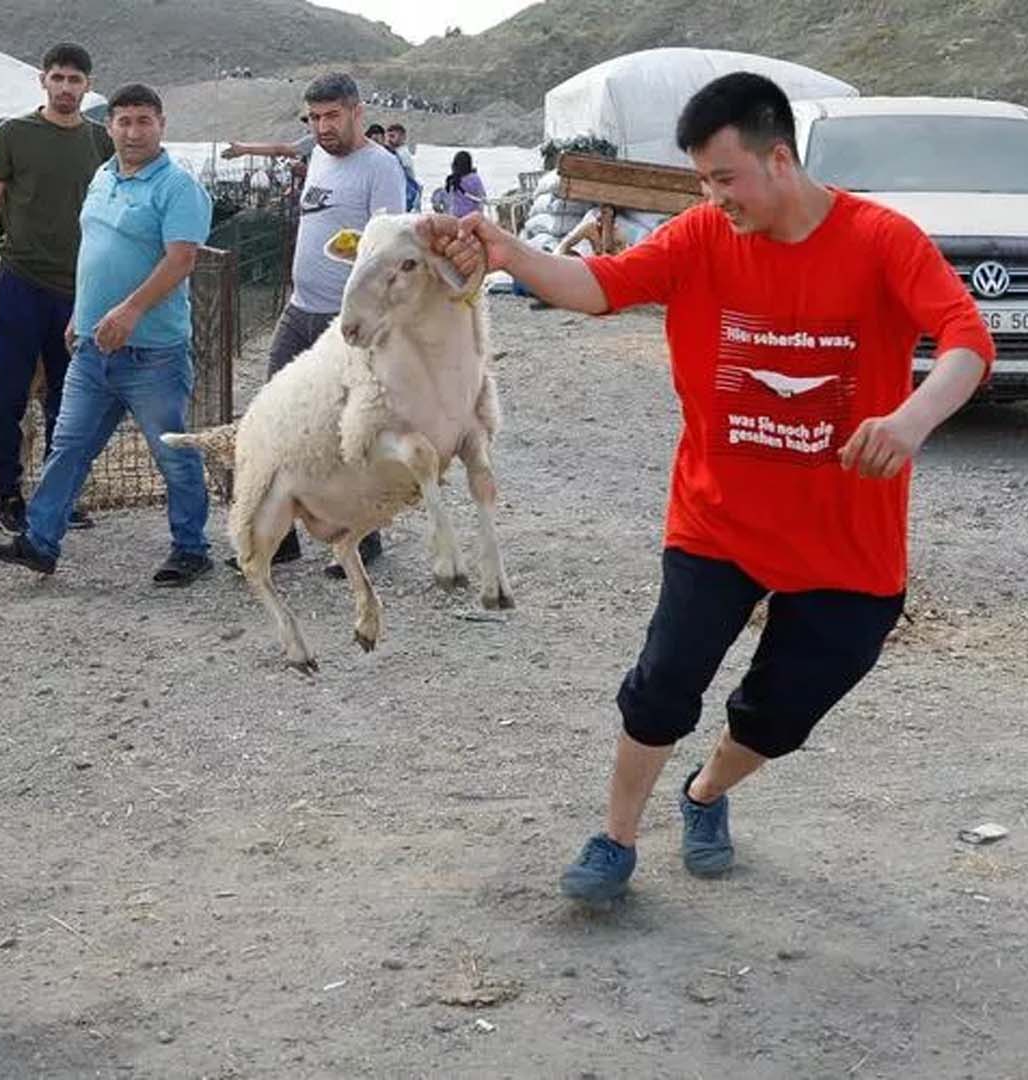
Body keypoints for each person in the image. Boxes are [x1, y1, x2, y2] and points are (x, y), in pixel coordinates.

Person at [425, 72, 994, 902]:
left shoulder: (880, 241)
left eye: (724, 177)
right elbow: (601, 287)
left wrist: (908, 421)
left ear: (779, 160)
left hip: (846, 540)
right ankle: (615, 839)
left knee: (779, 715)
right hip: (717, 521)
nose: (711, 195)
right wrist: (509, 252)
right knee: (661, 683)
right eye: (700, 180)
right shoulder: (699, 237)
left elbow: (965, 340)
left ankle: (704, 794)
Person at [0, 83, 214, 586]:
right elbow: (95, 252)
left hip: (152, 352)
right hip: (92, 346)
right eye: (123, 122)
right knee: (68, 446)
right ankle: (41, 542)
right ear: (109, 127)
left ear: (161, 125)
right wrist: (79, 318)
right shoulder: (102, 177)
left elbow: (182, 259)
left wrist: (131, 311)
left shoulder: (177, 187)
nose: (133, 132)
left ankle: (192, 547)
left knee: (171, 451)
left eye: (143, 121)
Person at [254, 72, 405, 576]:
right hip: (300, 309)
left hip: (345, 321)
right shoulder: (318, 156)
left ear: (356, 112)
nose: (322, 127)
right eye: (314, 117)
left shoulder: (380, 168)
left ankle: (364, 537)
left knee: (346, 429)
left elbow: (388, 249)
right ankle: (283, 537)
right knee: (276, 417)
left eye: (332, 116)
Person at [0, 42, 113, 534]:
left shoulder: (100, 141)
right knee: (7, 392)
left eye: (75, 80)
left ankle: (58, 496)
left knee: (69, 398)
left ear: (88, 85)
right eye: (58, 78)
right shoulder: (14, 134)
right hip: (21, 282)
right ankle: (8, 494)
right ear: (43, 81)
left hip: (79, 289)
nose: (66, 88)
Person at [221, 115, 315, 162]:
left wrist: (245, 149)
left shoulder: (314, 140)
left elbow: (280, 150)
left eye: (309, 121)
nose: (307, 126)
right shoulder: (313, 140)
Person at [385, 122, 421, 211]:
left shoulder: (402, 153)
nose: (389, 140)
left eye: (393, 136)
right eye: (388, 136)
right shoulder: (395, 152)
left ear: (402, 137)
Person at [439, 150, 486, 218]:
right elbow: (482, 197)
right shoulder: (475, 179)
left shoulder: (452, 180)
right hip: (472, 218)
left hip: (454, 217)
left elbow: (445, 198)